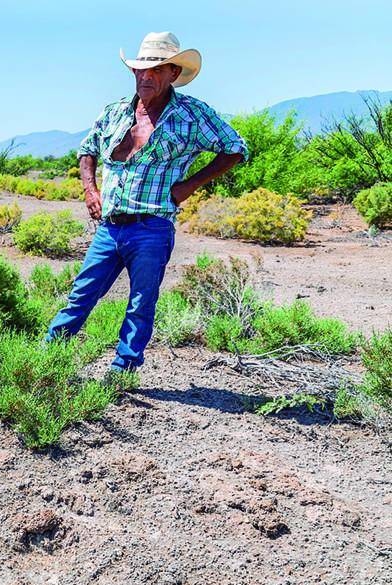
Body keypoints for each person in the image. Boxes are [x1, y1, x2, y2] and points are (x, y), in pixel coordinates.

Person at [46, 31, 249, 374]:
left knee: (141, 302)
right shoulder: (114, 113)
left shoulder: (192, 115)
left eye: (157, 69)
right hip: (110, 228)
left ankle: (122, 371)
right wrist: (90, 191)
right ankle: (47, 358)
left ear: (173, 74)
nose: (146, 76)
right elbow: (87, 150)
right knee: (81, 296)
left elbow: (236, 147)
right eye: (141, 69)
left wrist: (190, 184)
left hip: (152, 227)